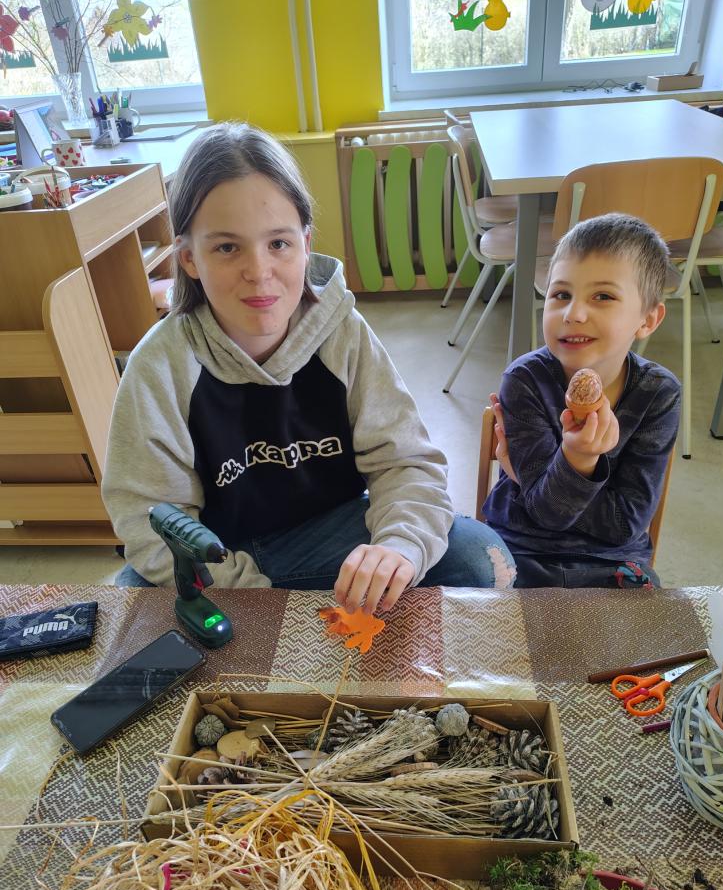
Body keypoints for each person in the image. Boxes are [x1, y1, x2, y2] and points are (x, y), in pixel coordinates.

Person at [102, 122, 515, 612]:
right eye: (227, 247)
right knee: (130, 607)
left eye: (278, 243)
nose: (259, 272)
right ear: (190, 259)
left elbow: (405, 462)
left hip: (329, 537)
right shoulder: (160, 366)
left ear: (305, 243)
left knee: (477, 556)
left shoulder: (342, 332)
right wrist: (259, 605)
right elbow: (152, 520)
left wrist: (397, 547)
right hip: (219, 557)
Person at [483, 212, 680, 589]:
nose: (573, 313)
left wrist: (531, 481)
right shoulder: (525, 380)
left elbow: (625, 524)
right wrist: (578, 460)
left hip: (612, 559)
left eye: (603, 296)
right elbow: (546, 516)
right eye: (561, 295)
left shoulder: (658, 394)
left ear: (648, 320)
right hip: (520, 548)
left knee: (645, 622)